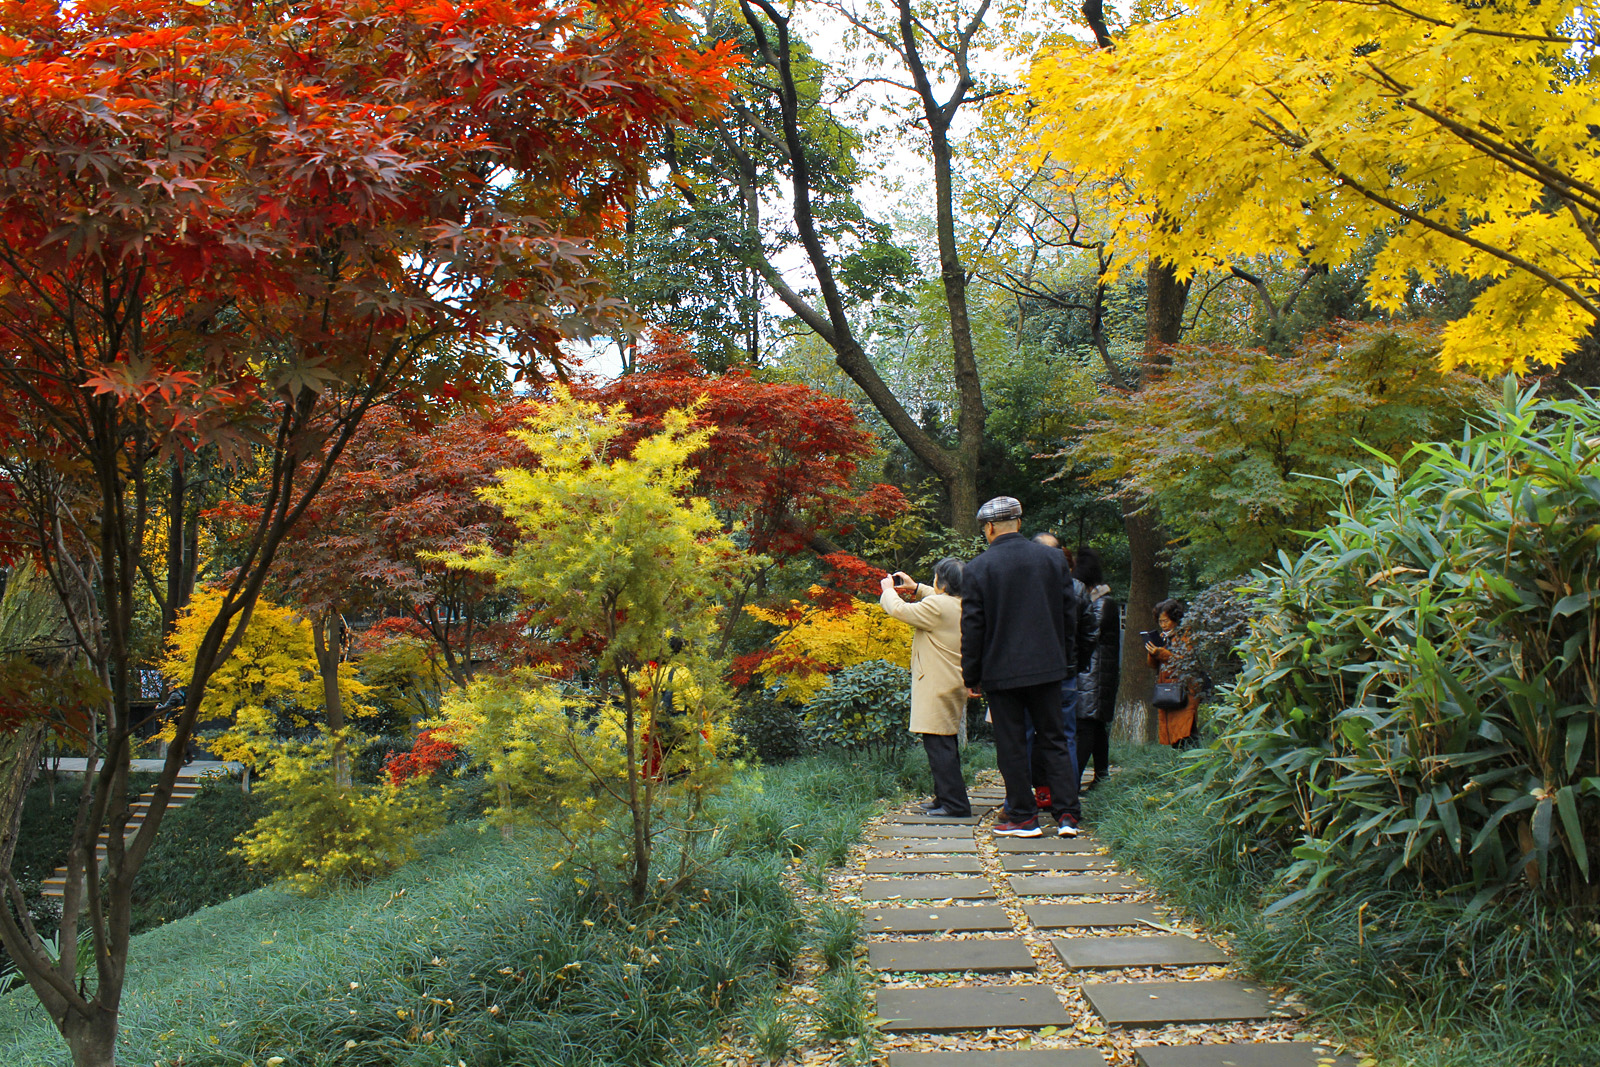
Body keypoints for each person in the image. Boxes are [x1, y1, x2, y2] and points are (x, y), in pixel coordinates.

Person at [961, 496, 1094, 838]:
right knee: (1056, 739)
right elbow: (1069, 616)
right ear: (1019, 523)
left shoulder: (978, 567)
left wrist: (971, 675)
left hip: (1001, 671)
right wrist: (1066, 659)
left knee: (1012, 743)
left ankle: (1023, 816)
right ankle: (1067, 815)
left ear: (989, 528)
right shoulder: (1052, 560)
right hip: (1049, 666)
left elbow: (973, 626)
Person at [878, 558, 971, 818]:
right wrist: (916, 587)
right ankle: (944, 797)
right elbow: (939, 599)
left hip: (936, 682)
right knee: (944, 741)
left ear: (941, 582)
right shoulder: (962, 603)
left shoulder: (939, 606)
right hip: (950, 681)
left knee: (938, 744)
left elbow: (900, 611)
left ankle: (955, 804)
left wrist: (887, 589)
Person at [1028, 532, 1095, 808]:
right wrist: (1077, 664)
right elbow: (1090, 634)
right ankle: (1067, 800)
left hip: (1030, 672)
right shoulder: (1078, 588)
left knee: (1029, 733)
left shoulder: (1027, 585)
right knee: (1065, 735)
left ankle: (1036, 793)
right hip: (1066, 673)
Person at [1073, 547, 1119, 787]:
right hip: (1096, 675)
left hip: (1093, 675)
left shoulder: (1102, 604)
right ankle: (1101, 774)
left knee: (1087, 727)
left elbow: (1087, 632)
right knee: (1096, 726)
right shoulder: (1102, 601)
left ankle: (1073, 780)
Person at [1146, 597, 1200, 747]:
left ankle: (1192, 762)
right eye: (1160, 621)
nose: (1163, 625)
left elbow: (1184, 661)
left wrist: (1161, 653)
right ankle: (1182, 764)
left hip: (1184, 689)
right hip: (1167, 689)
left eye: (1166, 621)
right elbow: (1152, 666)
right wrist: (1153, 652)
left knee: (1187, 730)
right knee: (1175, 733)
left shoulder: (1185, 635)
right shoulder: (1163, 637)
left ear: (1175, 618)